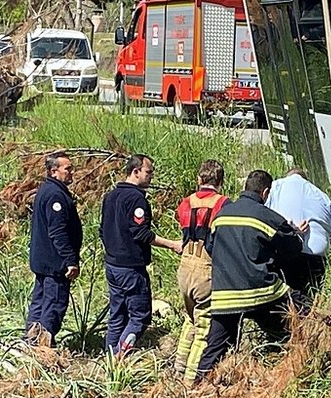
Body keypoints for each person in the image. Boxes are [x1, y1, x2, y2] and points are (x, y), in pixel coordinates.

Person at [191, 170, 307, 382]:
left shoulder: (221, 216)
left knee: (215, 347)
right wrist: (294, 233)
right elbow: (293, 250)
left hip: (224, 296)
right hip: (262, 292)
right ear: (265, 192)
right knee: (301, 313)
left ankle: (197, 390)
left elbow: (210, 247)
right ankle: (300, 366)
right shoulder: (268, 217)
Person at [99, 154, 182, 356]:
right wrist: (172, 245)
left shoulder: (110, 196)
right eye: (148, 172)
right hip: (130, 268)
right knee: (140, 317)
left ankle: (109, 358)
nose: (151, 176)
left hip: (112, 265)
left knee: (117, 314)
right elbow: (141, 233)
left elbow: (102, 230)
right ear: (135, 172)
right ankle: (121, 355)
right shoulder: (136, 199)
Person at [173, 160, 231, 382]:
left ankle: (178, 366)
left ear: (199, 180)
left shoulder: (186, 202)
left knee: (190, 318)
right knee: (204, 323)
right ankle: (192, 378)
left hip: (185, 264)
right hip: (205, 266)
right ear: (220, 181)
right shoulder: (223, 203)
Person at [25, 152, 83, 347]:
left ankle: (32, 342)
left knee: (40, 303)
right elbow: (57, 231)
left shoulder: (46, 190)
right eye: (67, 169)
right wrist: (70, 260)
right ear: (53, 171)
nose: (71, 172)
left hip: (44, 262)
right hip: (54, 264)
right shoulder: (55, 195)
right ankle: (42, 348)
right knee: (53, 305)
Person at [265, 167, 331, 295]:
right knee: (312, 296)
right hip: (316, 256)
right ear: (306, 179)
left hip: (285, 254)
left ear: (287, 176)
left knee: (288, 298)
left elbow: (264, 215)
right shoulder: (321, 194)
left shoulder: (275, 187)